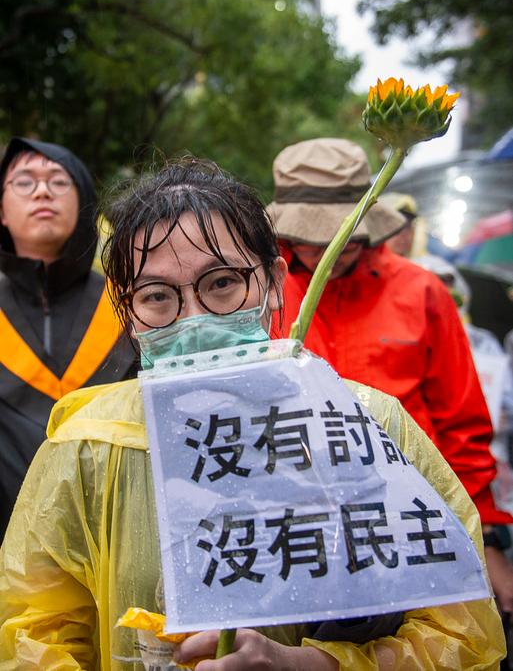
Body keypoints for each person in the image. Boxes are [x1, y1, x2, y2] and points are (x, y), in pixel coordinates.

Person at [0, 158, 504, 669]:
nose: (193, 320)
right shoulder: (88, 448)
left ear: (273, 281)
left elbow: (459, 630)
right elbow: (32, 634)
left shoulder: (369, 426)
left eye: (222, 283)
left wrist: (313, 665)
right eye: (156, 296)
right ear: (128, 312)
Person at [270, 137, 513, 614]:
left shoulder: (422, 291)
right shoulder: (260, 292)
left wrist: (486, 535)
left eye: (343, 236)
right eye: (309, 238)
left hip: (413, 521)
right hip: (294, 529)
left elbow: (462, 425)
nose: (328, 252)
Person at [0, 137, 136, 541]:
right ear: (1, 211)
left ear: (84, 203)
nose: (42, 190)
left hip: (120, 539)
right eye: (24, 182)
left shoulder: (131, 304)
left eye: (59, 181)